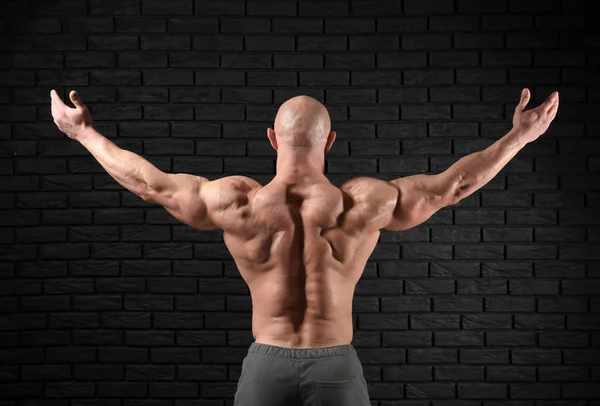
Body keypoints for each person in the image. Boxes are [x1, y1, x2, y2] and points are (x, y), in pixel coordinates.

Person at [50, 88, 559, 406]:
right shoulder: (363, 203)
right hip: (336, 364)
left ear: (272, 138)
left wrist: (85, 134)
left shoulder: (235, 202)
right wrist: (518, 138)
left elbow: (150, 184)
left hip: (266, 363)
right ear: (330, 141)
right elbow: (452, 187)